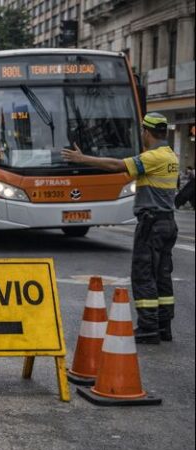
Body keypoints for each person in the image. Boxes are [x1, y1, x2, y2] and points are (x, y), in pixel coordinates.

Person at [62, 113, 178, 344]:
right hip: (167, 222)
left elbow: (118, 165)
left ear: (146, 132)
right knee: (162, 276)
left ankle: (148, 328)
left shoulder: (152, 157)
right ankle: (163, 326)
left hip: (152, 224)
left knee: (144, 275)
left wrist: (83, 159)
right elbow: (128, 173)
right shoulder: (170, 156)